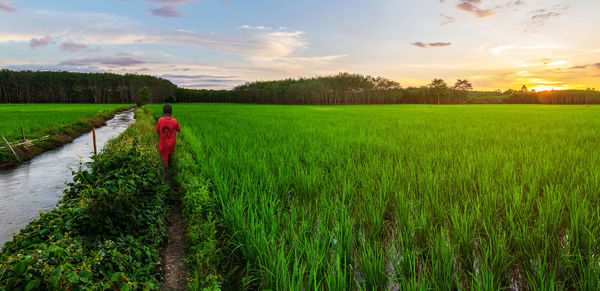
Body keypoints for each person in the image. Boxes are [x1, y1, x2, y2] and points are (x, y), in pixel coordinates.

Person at [155, 104, 180, 172]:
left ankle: (165, 173)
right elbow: (178, 130)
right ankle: (171, 169)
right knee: (170, 155)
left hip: (163, 144)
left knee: (164, 159)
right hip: (172, 143)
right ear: (171, 112)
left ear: (163, 112)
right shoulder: (175, 121)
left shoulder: (160, 120)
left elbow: (157, 130)